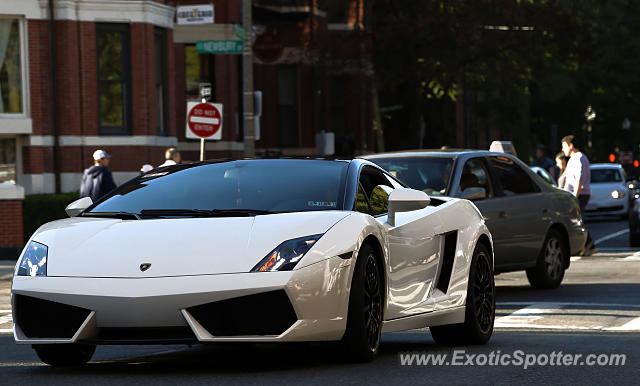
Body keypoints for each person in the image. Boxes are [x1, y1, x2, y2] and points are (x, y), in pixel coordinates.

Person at [561, 135, 595, 255]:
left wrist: (575, 197)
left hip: (579, 194)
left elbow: (579, 179)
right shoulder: (573, 159)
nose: (563, 149)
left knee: (577, 219)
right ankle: (587, 244)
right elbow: (569, 180)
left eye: (564, 146)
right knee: (577, 219)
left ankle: (588, 243)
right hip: (573, 194)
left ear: (571, 145)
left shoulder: (580, 158)